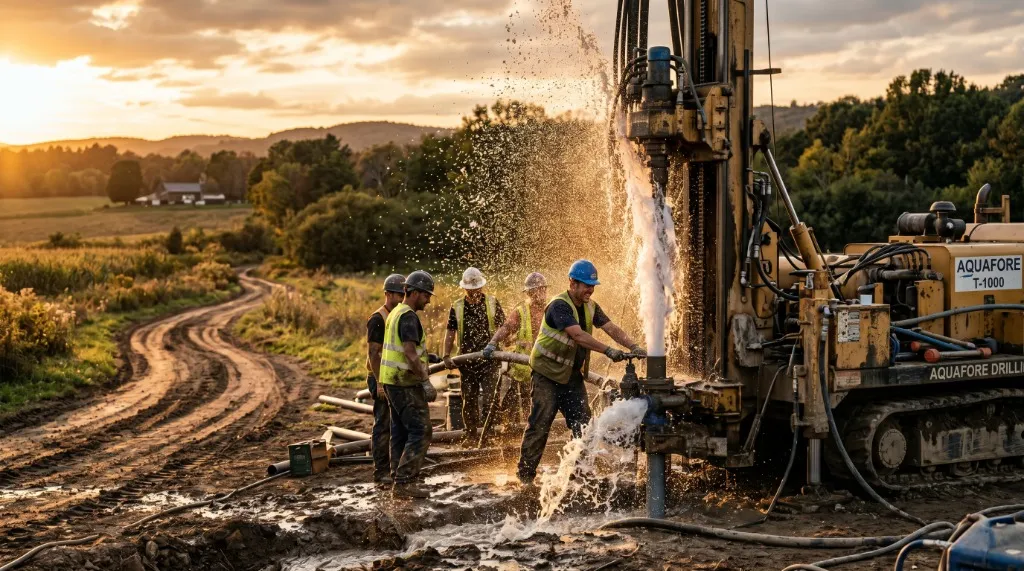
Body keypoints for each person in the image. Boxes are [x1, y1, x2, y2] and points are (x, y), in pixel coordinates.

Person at [516, 260, 646, 486]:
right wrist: (608, 350)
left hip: (570, 376)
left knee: (584, 426)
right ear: (572, 283)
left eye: (593, 285)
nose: (590, 289)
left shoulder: (591, 306)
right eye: (586, 285)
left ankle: (579, 474)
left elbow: (611, 328)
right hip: (546, 375)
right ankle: (525, 477)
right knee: (540, 424)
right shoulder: (559, 306)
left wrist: (633, 346)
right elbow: (578, 336)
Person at [380, 270, 436, 498]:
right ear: (415, 293)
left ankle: (397, 476)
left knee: (400, 431)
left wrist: (429, 358)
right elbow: (410, 354)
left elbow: (409, 351)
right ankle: (405, 483)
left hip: (391, 381)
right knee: (421, 430)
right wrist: (425, 382)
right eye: (426, 295)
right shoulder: (409, 316)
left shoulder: (395, 313)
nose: (429, 300)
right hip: (405, 383)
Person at [442, 267, 505, 443]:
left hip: (490, 359)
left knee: (490, 399)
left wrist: (495, 344)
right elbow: (450, 331)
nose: (474, 293)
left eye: (477, 289)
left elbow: (503, 327)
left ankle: (489, 434)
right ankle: (470, 435)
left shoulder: (492, 303)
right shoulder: (457, 306)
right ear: (465, 289)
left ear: (481, 287)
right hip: (466, 360)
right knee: (468, 400)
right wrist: (446, 355)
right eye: (471, 290)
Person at [484, 272, 548, 424]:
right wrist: (493, 342)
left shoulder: (552, 308)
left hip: (546, 367)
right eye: (537, 290)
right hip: (524, 368)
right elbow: (507, 327)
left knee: (542, 402)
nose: (541, 293)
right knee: (522, 401)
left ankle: (536, 430)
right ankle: (516, 432)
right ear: (530, 293)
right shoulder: (521, 311)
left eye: (543, 289)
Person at [365, 273, 406, 485]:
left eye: (404, 294)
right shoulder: (378, 319)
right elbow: (374, 353)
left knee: (397, 424)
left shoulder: (398, 315)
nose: (402, 298)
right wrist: (380, 383)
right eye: (399, 294)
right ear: (388, 294)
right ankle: (380, 471)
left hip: (394, 377)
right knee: (383, 424)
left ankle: (395, 468)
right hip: (380, 377)